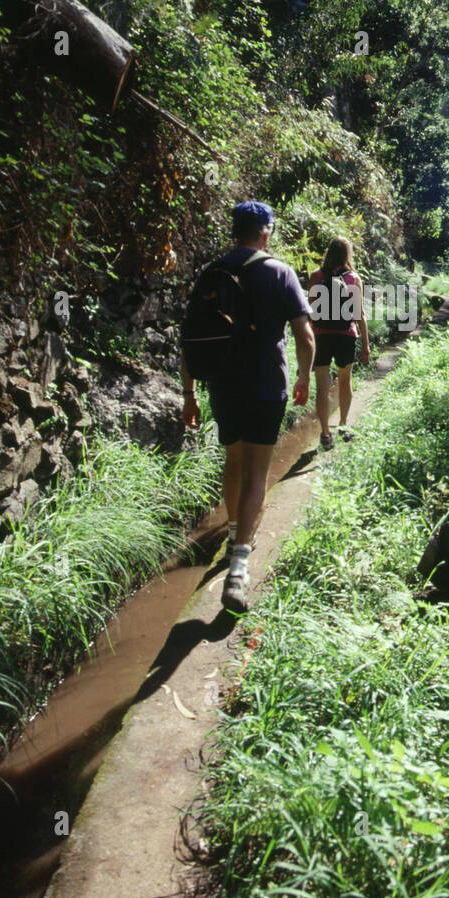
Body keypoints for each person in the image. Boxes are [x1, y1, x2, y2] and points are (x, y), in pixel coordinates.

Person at [181, 201, 314, 612]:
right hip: (265, 386)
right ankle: (239, 565)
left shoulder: (211, 273)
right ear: (266, 231)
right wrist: (305, 377)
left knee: (233, 460)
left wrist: (189, 395)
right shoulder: (279, 272)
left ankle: (236, 529)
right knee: (258, 470)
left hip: (222, 387)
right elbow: (305, 336)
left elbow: (187, 339)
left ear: (235, 230)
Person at [308, 237, 370, 451]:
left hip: (321, 336)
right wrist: (366, 344)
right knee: (345, 381)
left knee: (322, 387)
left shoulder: (316, 276)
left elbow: (310, 311)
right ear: (348, 255)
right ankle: (343, 425)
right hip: (346, 335)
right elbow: (359, 313)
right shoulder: (353, 278)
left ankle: (325, 433)